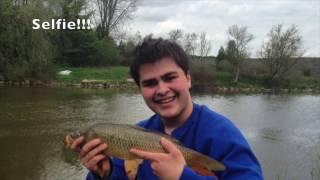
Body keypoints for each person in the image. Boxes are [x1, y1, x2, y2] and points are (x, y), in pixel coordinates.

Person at [68, 37, 264, 179]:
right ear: (140, 89)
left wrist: (181, 176)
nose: (162, 90)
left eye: (170, 78)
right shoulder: (134, 134)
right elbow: (120, 172)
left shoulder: (222, 133)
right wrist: (105, 173)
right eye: (150, 83)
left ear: (188, 79)